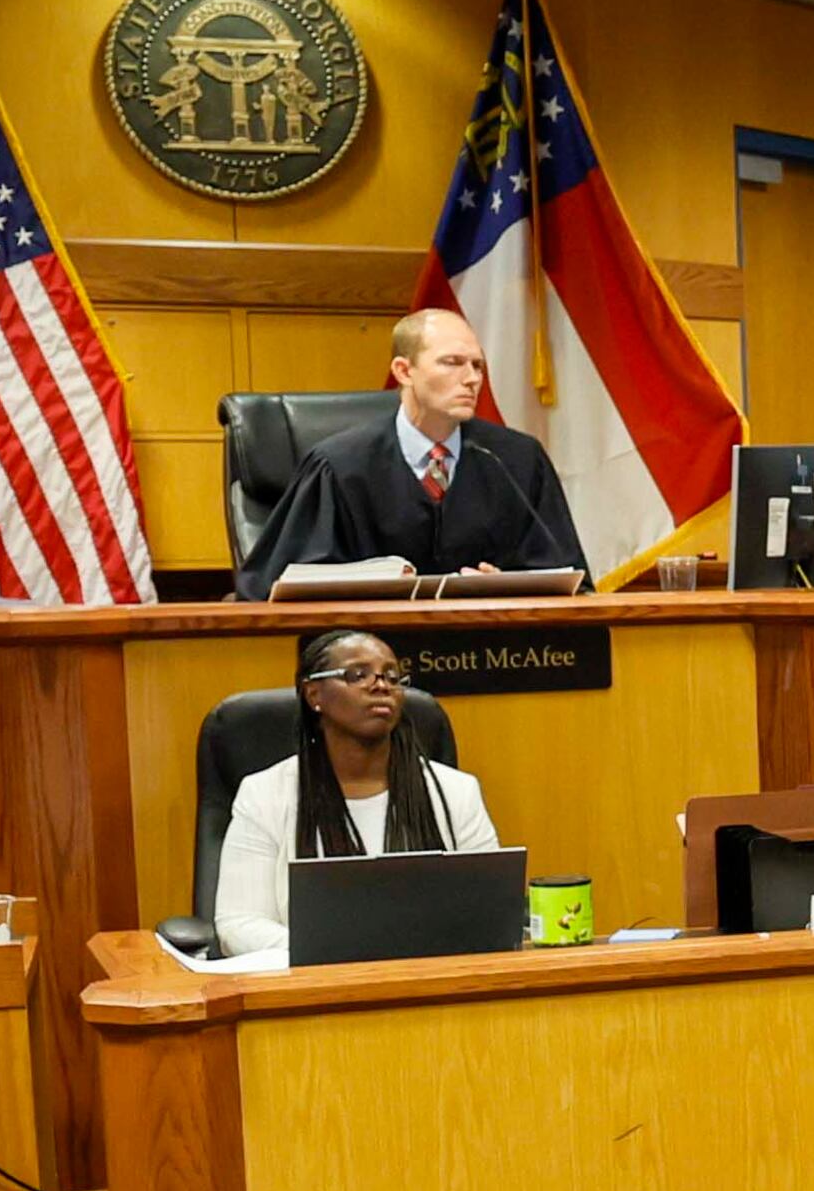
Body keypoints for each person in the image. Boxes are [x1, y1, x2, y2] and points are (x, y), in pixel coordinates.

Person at [234, 307, 588, 598]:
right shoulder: (339, 466)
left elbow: (570, 581)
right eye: (452, 362)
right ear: (404, 371)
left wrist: (507, 586)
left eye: (477, 365)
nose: (472, 379)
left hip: (493, 648)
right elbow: (271, 589)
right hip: (369, 661)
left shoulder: (517, 460)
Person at [214, 628, 502, 957]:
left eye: (392, 676)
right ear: (313, 695)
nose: (380, 685)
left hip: (430, 981)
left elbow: (487, 911)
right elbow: (238, 923)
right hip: (312, 989)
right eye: (357, 674)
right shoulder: (265, 794)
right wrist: (336, 952)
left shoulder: (456, 792)